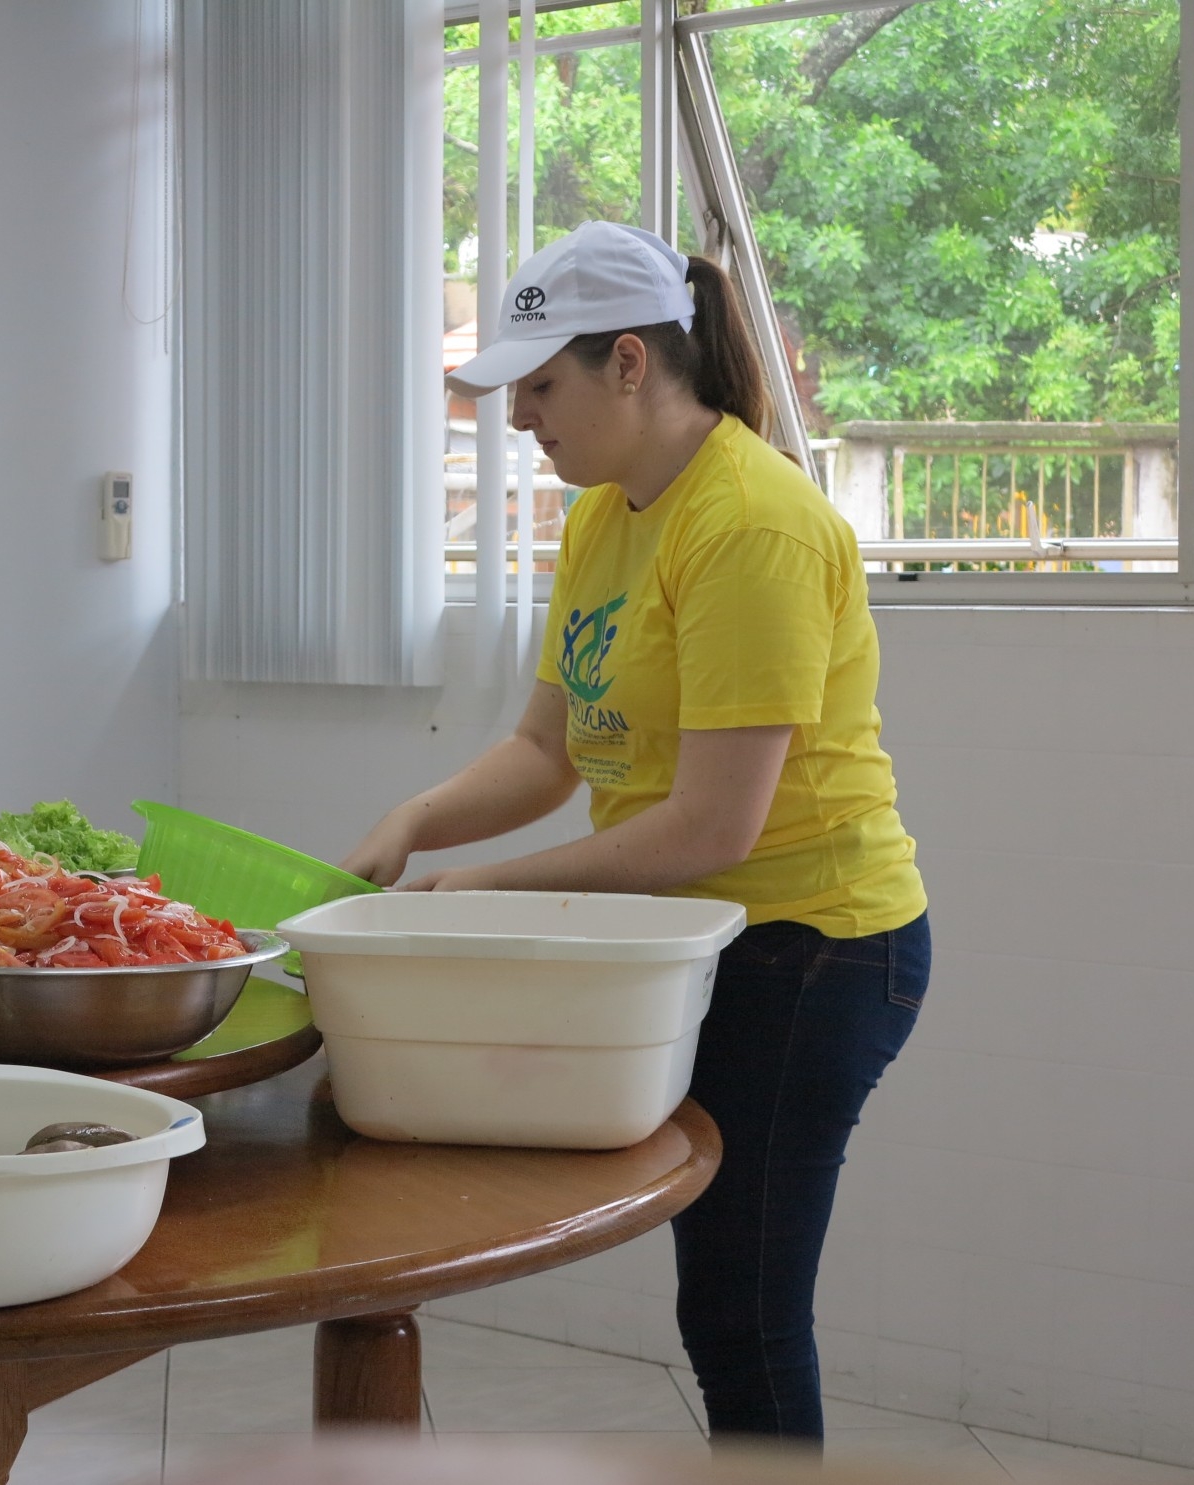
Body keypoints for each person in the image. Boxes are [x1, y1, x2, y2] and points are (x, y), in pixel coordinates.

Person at [343, 220, 929, 1447]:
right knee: (719, 1295)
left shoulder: (752, 524)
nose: (519, 419)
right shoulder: (607, 516)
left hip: (813, 947)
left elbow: (712, 824)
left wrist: (487, 891)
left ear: (629, 363)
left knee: (741, 1309)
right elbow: (547, 751)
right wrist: (416, 821)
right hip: (693, 938)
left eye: (539, 387)